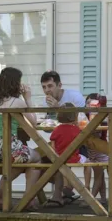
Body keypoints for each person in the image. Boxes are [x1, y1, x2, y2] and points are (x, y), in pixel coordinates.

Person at [0, 67, 42, 209]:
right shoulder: (16, 102)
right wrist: (28, 98)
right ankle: (28, 200)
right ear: (15, 84)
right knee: (36, 157)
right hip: (8, 148)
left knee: (22, 157)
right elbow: (33, 122)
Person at [40, 70, 86, 201]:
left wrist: (58, 107)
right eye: (44, 87)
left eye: (50, 86)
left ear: (59, 85)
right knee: (42, 160)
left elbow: (81, 122)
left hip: (81, 140)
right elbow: (48, 129)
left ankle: (62, 192)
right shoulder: (46, 103)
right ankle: (65, 190)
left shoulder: (74, 96)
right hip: (60, 141)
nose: (47, 90)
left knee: (57, 157)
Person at [45, 103, 85, 207]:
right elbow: (80, 144)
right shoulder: (76, 130)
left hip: (59, 158)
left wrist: (55, 157)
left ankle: (60, 194)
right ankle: (74, 188)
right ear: (75, 116)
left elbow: (53, 146)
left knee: (61, 171)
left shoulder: (56, 130)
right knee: (88, 163)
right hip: (73, 158)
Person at [84, 93, 108, 204]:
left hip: (100, 148)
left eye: (92, 103)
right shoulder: (85, 116)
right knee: (100, 175)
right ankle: (103, 199)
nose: (89, 105)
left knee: (98, 175)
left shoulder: (101, 116)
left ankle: (91, 199)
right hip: (91, 149)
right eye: (87, 102)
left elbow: (98, 133)